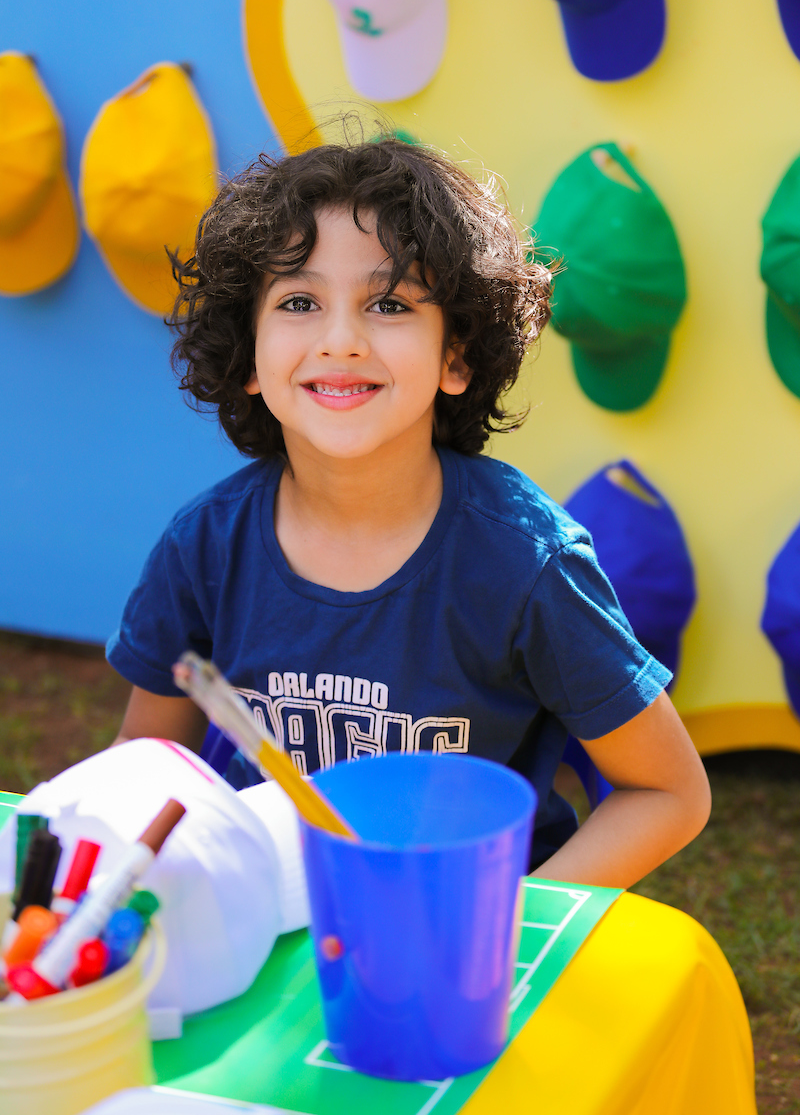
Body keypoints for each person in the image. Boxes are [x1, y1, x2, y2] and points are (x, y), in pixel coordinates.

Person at [109, 135, 710, 887]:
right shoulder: (203, 547)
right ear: (249, 354)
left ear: (456, 355)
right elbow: (143, 779)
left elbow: (668, 793)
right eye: (299, 301)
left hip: (467, 952)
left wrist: (499, 929)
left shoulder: (526, 563)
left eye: (388, 303)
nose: (341, 341)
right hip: (274, 928)